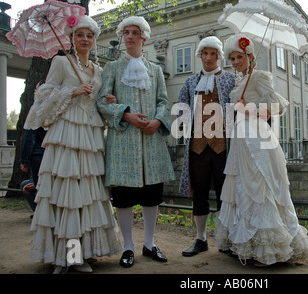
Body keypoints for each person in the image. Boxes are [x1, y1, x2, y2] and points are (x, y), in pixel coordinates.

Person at [25, 15, 122, 274]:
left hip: (90, 136)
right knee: (66, 196)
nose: (85, 39)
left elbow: (97, 104)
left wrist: (107, 100)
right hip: (67, 134)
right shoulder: (60, 62)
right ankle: (65, 257)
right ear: (71, 38)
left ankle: (82, 254)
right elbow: (43, 98)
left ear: (94, 39)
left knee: (86, 196)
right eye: (80, 34)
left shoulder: (99, 70)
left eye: (90, 35)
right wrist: (71, 91)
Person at [215, 35, 308, 267]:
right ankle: (245, 244)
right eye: (232, 58)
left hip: (257, 138)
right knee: (241, 186)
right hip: (240, 138)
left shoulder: (260, 77)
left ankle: (268, 249)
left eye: (239, 57)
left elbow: (275, 108)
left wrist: (246, 107)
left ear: (250, 57)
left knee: (261, 184)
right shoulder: (240, 81)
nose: (235, 61)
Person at [97, 16, 175, 268]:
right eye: (125, 33)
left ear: (144, 37)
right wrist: (126, 114)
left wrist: (158, 121)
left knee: (152, 195)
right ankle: (128, 246)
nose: (129, 36)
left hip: (151, 141)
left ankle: (150, 244)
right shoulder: (112, 68)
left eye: (134, 32)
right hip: (123, 142)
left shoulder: (154, 70)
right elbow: (101, 102)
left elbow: (164, 101)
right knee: (124, 196)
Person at [177, 36, 235, 257]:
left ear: (219, 56)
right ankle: (200, 239)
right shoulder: (190, 82)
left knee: (225, 194)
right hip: (198, 147)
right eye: (205, 53)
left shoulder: (231, 80)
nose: (209, 58)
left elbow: (237, 109)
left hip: (223, 148)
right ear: (200, 55)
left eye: (213, 54)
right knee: (199, 193)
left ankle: (225, 239)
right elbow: (182, 107)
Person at [20, 80, 47, 214]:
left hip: (38, 155)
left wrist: (24, 160)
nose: (34, 92)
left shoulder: (36, 109)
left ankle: (40, 217)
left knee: (40, 189)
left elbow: (30, 138)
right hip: (54, 154)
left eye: (36, 90)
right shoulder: (57, 108)